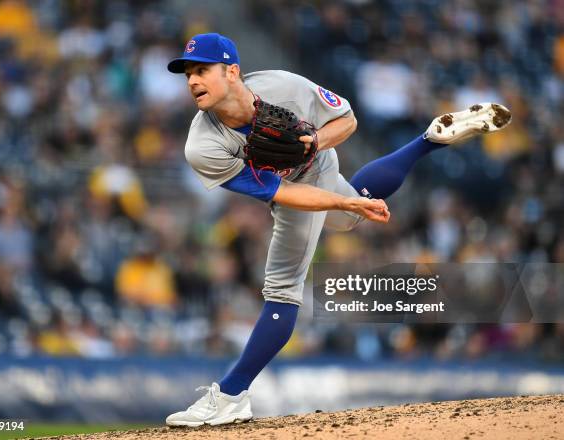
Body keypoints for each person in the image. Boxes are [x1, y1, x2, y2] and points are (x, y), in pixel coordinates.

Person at [165, 33, 511, 427]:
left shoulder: (282, 85)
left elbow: (347, 120)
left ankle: (230, 395)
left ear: (231, 71)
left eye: (201, 70)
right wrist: (343, 201)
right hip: (289, 188)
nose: (192, 81)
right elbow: (281, 191)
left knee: (282, 288)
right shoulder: (203, 145)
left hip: (317, 162)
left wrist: (315, 145)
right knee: (349, 215)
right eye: (188, 73)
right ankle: (428, 140)